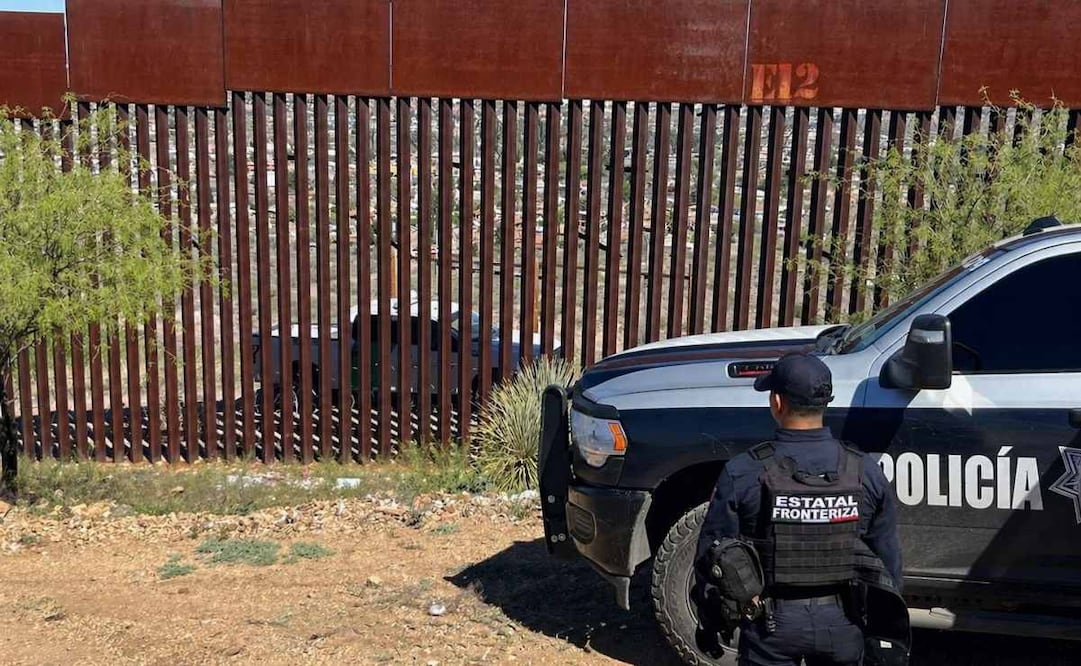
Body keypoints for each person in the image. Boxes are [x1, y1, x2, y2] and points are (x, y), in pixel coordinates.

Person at [694, 352, 902, 666]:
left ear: (777, 402)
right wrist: (882, 634)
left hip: (771, 628)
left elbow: (713, 556)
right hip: (844, 624)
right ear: (825, 402)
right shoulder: (865, 471)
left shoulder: (744, 471)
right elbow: (888, 563)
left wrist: (711, 625)